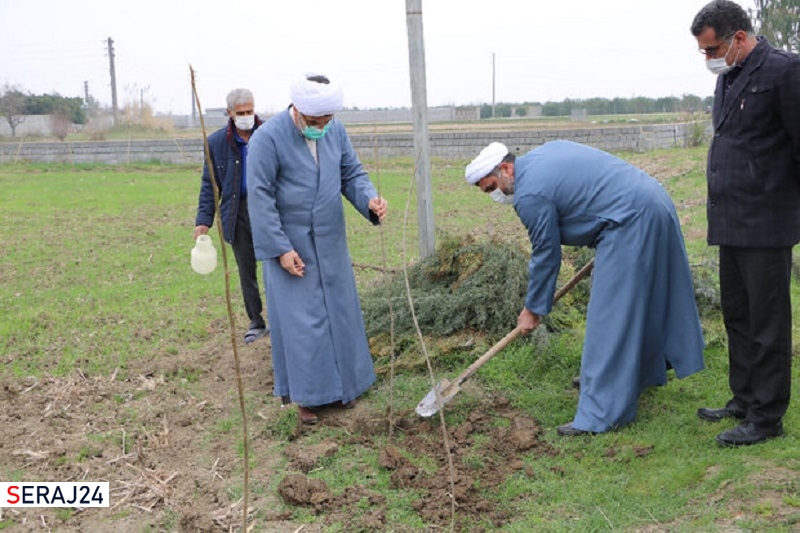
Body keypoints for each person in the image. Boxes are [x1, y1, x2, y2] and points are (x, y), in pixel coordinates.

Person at [464, 140, 705, 436]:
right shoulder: (541, 157)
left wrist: (533, 308)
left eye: (491, 187)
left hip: (630, 220)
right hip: (649, 204)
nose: (495, 196)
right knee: (638, 301)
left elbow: (546, 253)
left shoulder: (530, 194)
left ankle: (601, 413)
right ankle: (619, 379)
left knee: (610, 315)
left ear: (505, 168)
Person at [246, 73, 388, 425]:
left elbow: (351, 172)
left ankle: (345, 387)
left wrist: (369, 200)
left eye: (327, 120)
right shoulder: (267, 139)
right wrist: (280, 249)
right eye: (314, 121)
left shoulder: (334, 131)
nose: (321, 127)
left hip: (331, 239)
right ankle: (308, 396)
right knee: (302, 323)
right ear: (298, 111)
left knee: (339, 313)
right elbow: (260, 197)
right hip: (291, 244)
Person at [690, 0, 800, 446]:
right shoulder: (730, 76)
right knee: (737, 314)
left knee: (768, 319)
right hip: (730, 219)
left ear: (738, 38)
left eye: (712, 49)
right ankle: (744, 398)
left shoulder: (784, 72)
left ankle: (767, 417)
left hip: (766, 221)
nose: (708, 59)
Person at [194, 88, 269, 345]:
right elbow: (210, 184)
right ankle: (256, 321)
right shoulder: (216, 143)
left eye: (250, 111)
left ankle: (282, 318)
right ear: (230, 113)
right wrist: (203, 220)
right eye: (241, 113)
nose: (247, 116)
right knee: (246, 268)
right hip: (237, 212)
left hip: (269, 209)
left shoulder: (270, 135)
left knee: (276, 262)